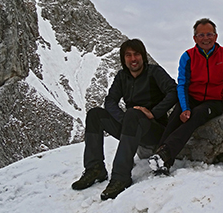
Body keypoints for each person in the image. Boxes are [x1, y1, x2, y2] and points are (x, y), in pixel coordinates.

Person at [71, 39, 177, 200]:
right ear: (123, 58)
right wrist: (123, 119)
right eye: (128, 55)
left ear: (143, 56)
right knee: (95, 114)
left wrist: (153, 113)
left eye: (136, 54)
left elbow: (173, 91)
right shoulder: (122, 76)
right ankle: (95, 169)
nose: (133, 59)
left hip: (154, 131)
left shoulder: (154, 72)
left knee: (133, 114)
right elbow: (110, 101)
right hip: (131, 127)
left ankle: (121, 177)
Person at [148, 18, 223, 175]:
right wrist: (185, 107)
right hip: (192, 98)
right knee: (176, 115)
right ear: (194, 38)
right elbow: (182, 85)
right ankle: (161, 160)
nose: (205, 38)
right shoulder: (187, 57)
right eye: (201, 35)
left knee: (198, 114)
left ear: (215, 36)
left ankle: (164, 154)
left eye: (209, 34)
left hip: (214, 101)